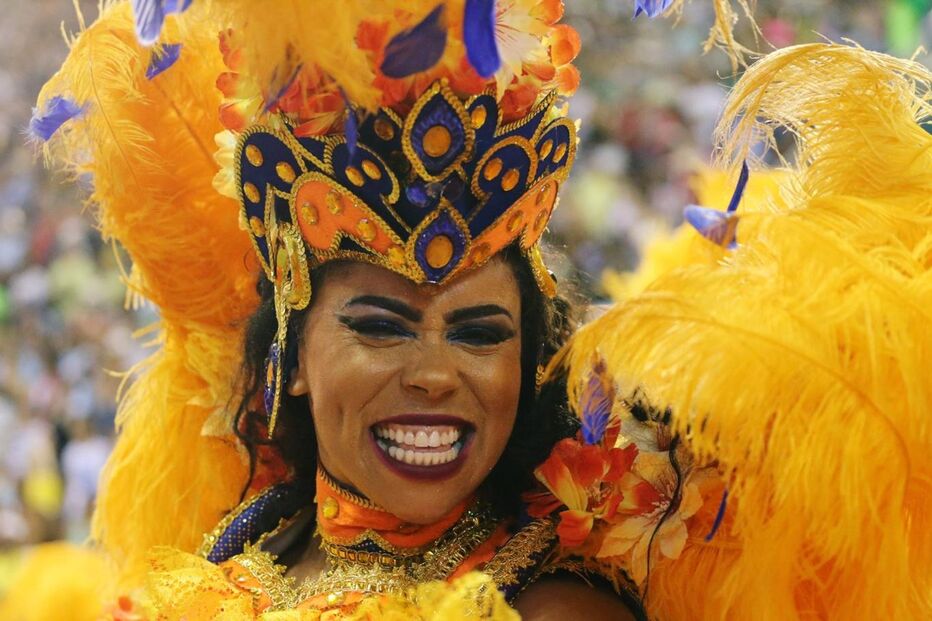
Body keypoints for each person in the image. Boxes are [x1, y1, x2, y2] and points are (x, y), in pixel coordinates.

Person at [20, 0, 932, 619]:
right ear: (293, 354)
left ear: (526, 363)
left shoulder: (554, 605)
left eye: (479, 331)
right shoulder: (220, 562)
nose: (434, 372)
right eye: (380, 325)